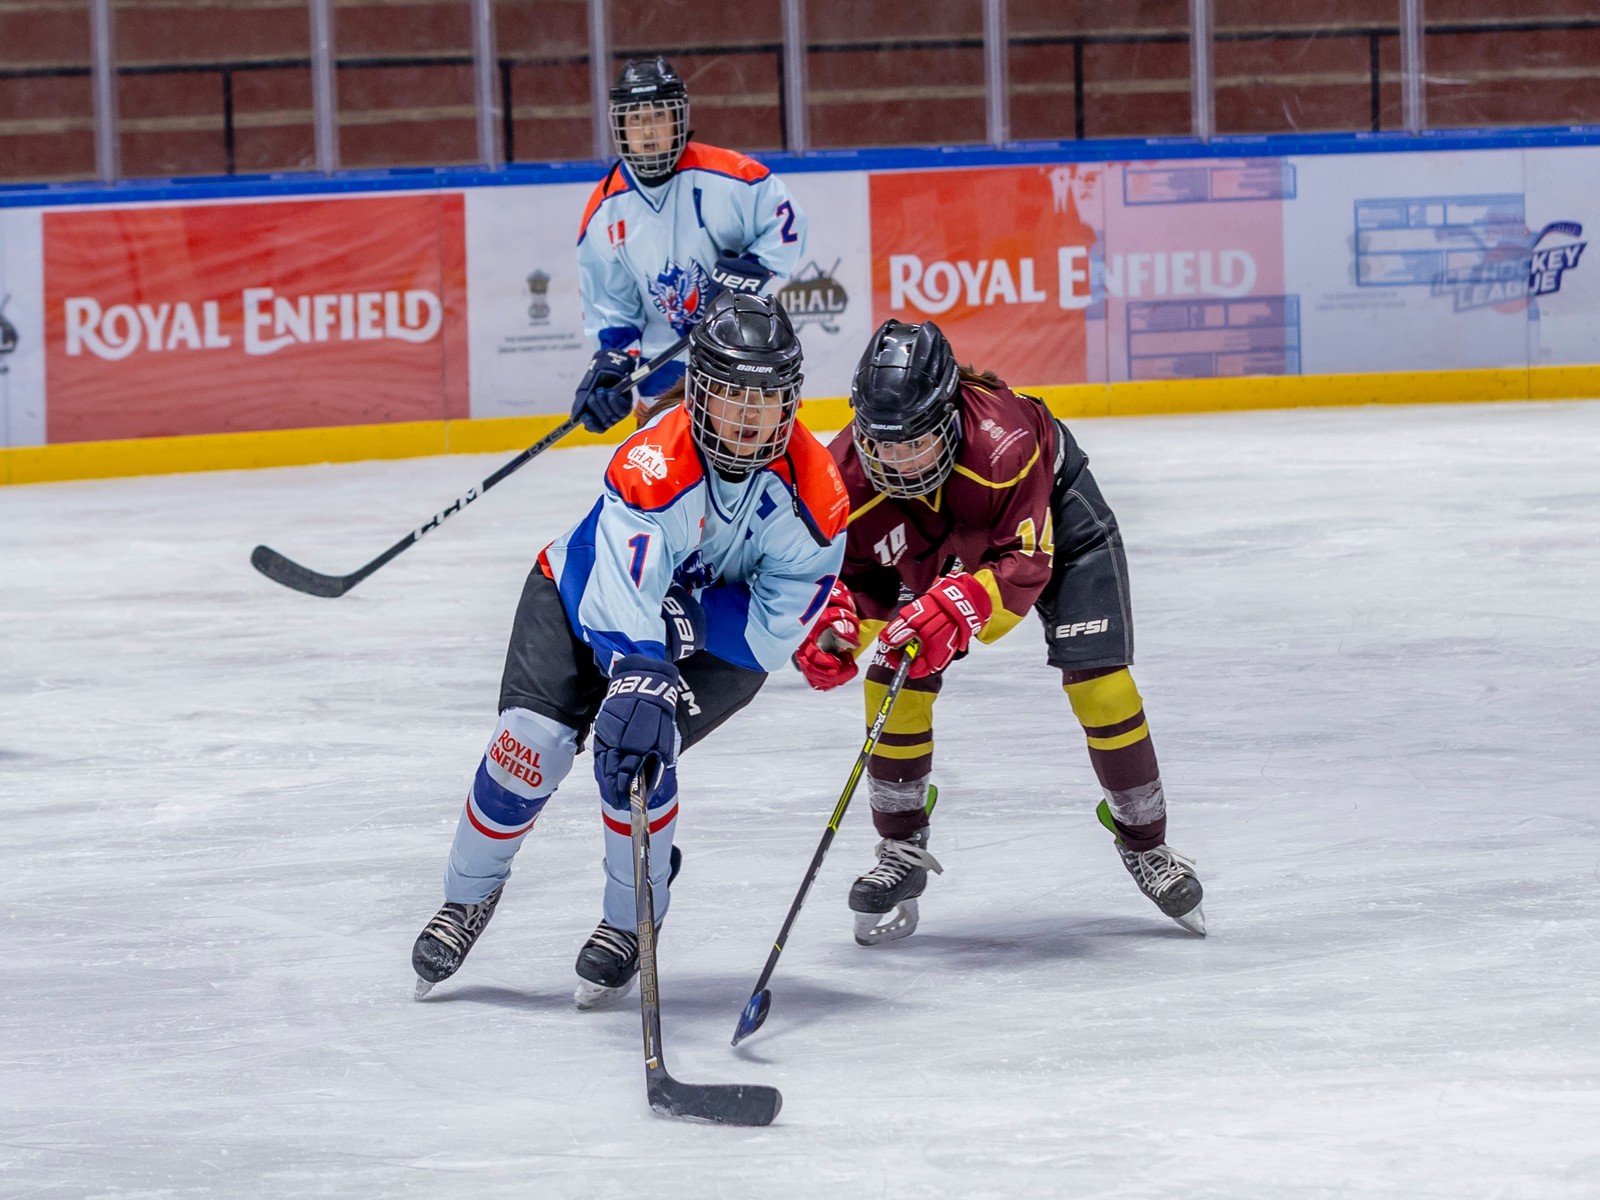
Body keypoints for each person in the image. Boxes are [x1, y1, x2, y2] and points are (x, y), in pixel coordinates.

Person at [412, 293, 848, 1005]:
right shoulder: (650, 462)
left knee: (637, 766)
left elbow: (774, 632)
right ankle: (466, 898)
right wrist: (646, 665)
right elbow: (622, 590)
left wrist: (690, 631)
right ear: (700, 389)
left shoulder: (819, 499)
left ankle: (628, 923)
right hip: (578, 601)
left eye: (766, 400)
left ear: (791, 402)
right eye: (733, 395)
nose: (748, 417)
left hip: (711, 650)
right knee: (531, 746)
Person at [793, 319, 1205, 945]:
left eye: (915, 442)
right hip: (936, 534)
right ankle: (900, 848)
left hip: (1055, 529)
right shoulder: (844, 474)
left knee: (1103, 687)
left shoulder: (1006, 443)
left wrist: (959, 606)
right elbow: (859, 580)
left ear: (951, 418)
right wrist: (839, 630)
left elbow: (1026, 567)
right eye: (882, 442)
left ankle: (1147, 843)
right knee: (891, 682)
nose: (896, 459)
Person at [570, 56, 808, 435]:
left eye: (659, 116)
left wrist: (749, 272)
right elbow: (612, 306)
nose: (648, 132)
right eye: (636, 119)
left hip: (736, 350)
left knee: (744, 460)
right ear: (620, 126)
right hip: (660, 366)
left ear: (679, 118)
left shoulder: (730, 177)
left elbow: (786, 224)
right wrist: (612, 361)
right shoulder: (604, 211)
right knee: (663, 473)